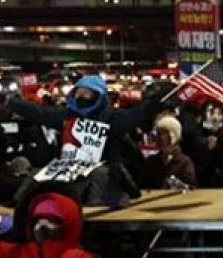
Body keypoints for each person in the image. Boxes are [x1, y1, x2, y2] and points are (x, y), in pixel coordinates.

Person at [9, 74, 155, 205]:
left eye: (87, 93)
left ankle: (93, 210)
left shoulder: (112, 117)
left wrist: (154, 104)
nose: (81, 96)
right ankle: (21, 204)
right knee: (37, 174)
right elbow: (41, 113)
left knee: (98, 175)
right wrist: (13, 103)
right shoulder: (67, 115)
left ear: (98, 96)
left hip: (104, 168)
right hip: (68, 167)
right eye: (78, 92)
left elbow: (134, 115)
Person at [143, 114, 196, 188]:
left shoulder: (184, 162)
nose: (162, 137)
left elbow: (191, 189)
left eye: (165, 133)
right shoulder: (152, 161)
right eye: (159, 133)